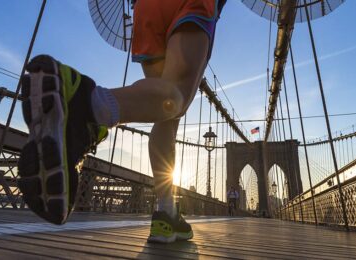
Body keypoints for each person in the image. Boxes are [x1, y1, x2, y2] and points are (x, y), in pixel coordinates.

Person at [17, 0, 226, 244]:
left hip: (147, 9)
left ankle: (166, 213)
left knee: (165, 114)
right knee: (176, 95)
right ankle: (86, 105)